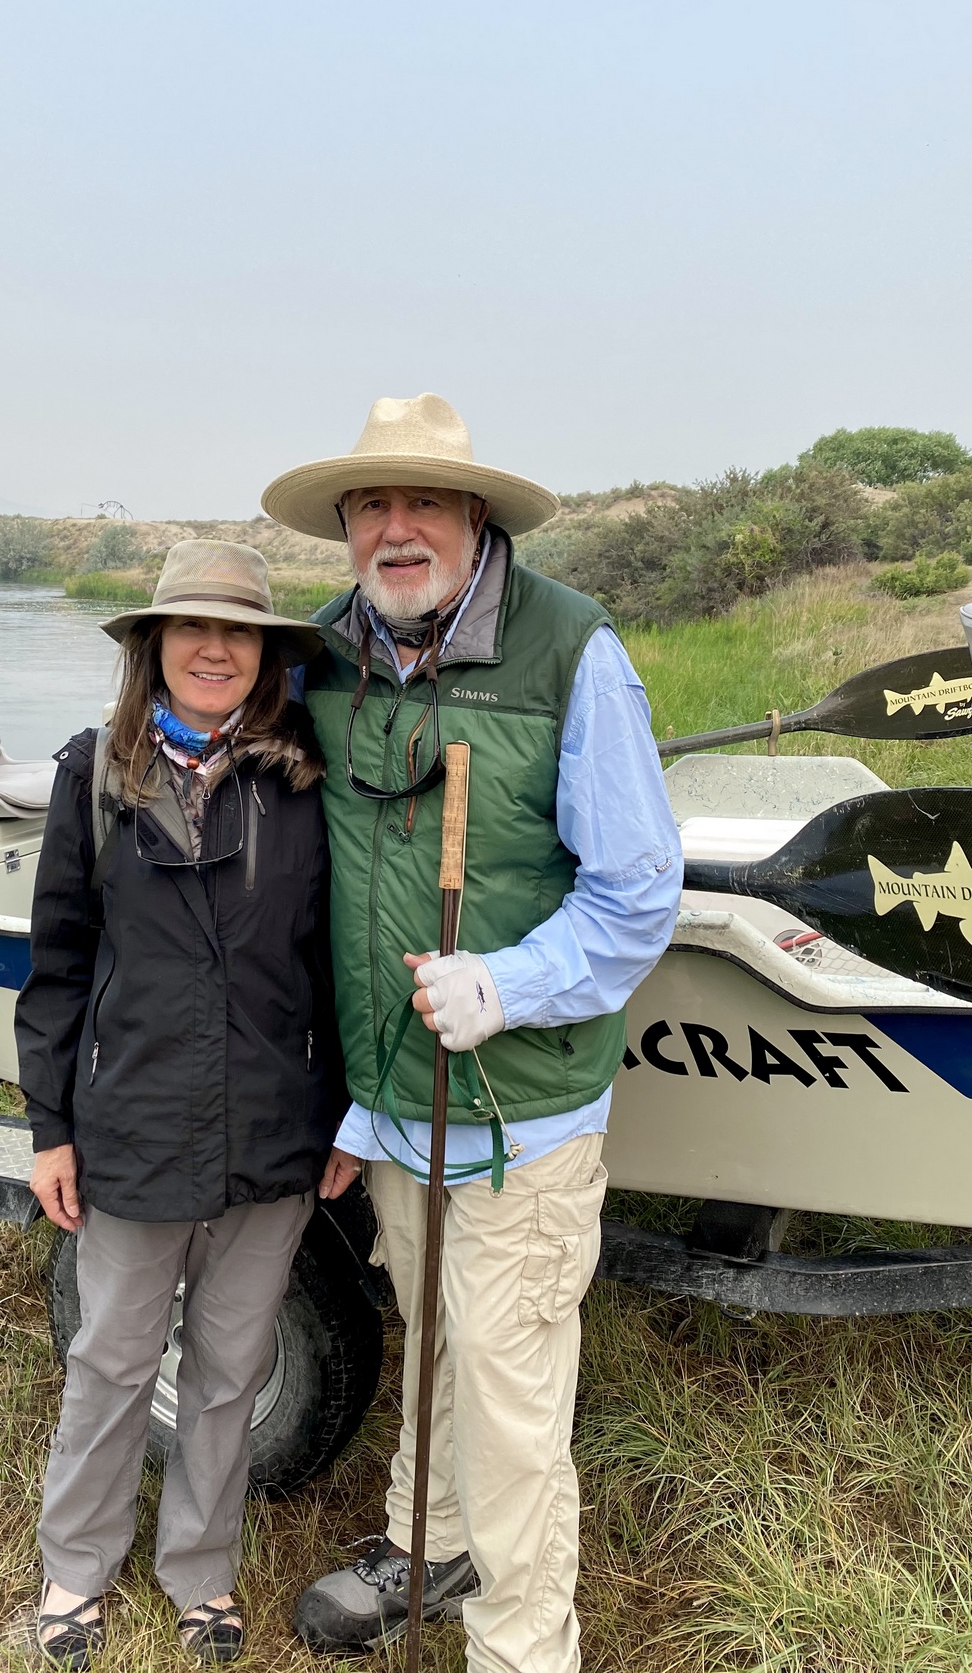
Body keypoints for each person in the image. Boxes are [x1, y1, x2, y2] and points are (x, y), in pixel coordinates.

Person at [261, 395, 683, 1673]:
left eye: (424, 504)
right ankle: (426, 1544)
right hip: (395, 1102)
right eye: (370, 507)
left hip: (521, 1114)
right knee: (435, 1338)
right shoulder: (324, 654)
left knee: (509, 1405)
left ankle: (521, 1647)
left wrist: (506, 984)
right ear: (346, 527)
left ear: (475, 517)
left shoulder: (572, 650)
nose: (396, 530)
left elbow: (637, 891)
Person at [15, 539, 343, 1668]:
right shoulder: (91, 776)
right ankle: (75, 1569)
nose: (215, 649)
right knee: (112, 1361)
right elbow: (58, 965)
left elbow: (333, 968)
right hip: (134, 1127)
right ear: (153, 645)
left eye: (238, 631)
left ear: (266, 655)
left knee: (229, 1370)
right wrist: (50, 1130)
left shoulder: (305, 784)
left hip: (273, 1132)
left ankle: (201, 1574)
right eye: (193, 628)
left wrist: (344, 1113)